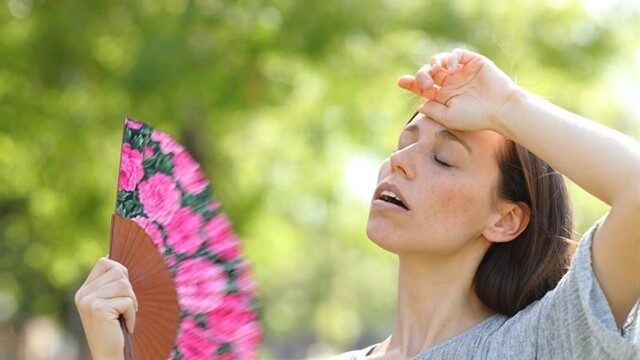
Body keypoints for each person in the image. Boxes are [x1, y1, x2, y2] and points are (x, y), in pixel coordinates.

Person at [74, 48, 640, 360]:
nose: (400, 163)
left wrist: (506, 105)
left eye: (444, 159)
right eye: (404, 143)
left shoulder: (542, 343)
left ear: (506, 218)